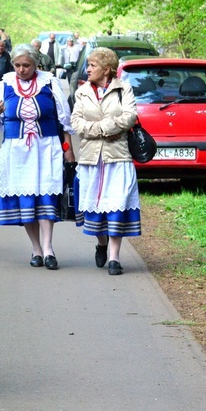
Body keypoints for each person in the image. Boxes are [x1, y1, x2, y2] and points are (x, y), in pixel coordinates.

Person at [0, 43, 75, 270]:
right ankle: (36, 249)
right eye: (17, 65)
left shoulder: (49, 83)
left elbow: (65, 120)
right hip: (17, 151)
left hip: (46, 148)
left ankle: (49, 248)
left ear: (36, 64)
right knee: (26, 199)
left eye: (26, 65)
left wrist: (68, 150)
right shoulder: (4, 86)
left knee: (46, 196)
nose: (21, 69)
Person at [70, 46, 141, 276]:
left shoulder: (124, 88)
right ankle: (101, 244)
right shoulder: (82, 92)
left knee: (117, 204)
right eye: (88, 65)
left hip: (117, 156)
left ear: (107, 70)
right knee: (95, 206)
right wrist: (103, 129)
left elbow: (130, 116)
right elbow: (76, 123)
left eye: (92, 65)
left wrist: (104, 127)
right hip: (91, 158)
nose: (88, 69)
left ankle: (114, 257)